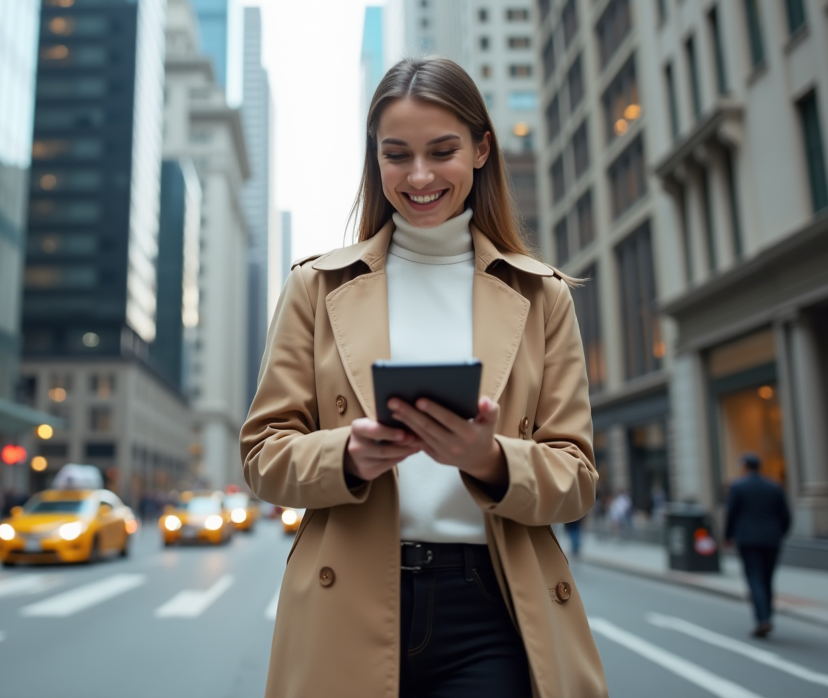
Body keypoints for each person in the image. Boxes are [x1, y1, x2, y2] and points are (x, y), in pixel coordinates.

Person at [241, 57, 607, 697]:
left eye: (442, 152)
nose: (419, 176)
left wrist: (488, 459)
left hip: (491, 608)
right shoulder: (315, 287)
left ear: (482, 150)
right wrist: (347, 456)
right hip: (343, 604)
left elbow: (576, 479)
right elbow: (262, 456)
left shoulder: (542, 295)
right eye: (396, 155)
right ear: (375, 159)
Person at [724, 452, 791, 638]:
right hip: (771, 539)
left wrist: (727, 536)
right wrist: (779, 533)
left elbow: (731, 514)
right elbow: (786, 516)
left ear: (745, 467)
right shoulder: (774, 486)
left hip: (747, 540)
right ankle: (767, 616)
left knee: (754, 578)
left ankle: (763, 619)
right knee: (767, 578)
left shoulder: (737, 486)